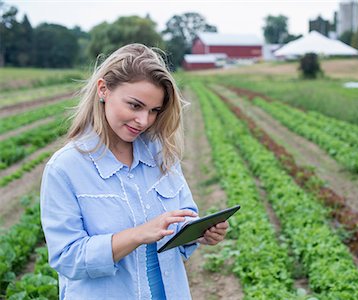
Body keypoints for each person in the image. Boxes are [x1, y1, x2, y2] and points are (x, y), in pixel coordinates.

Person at [40, 43, 229, 300]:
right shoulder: (65, 169)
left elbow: (182, 218)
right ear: (103, 89)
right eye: (135, 106)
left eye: (154, 111)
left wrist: (198, 233)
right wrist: (137, 235)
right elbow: (67, 258)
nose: (144, 121)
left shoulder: (161, 155)